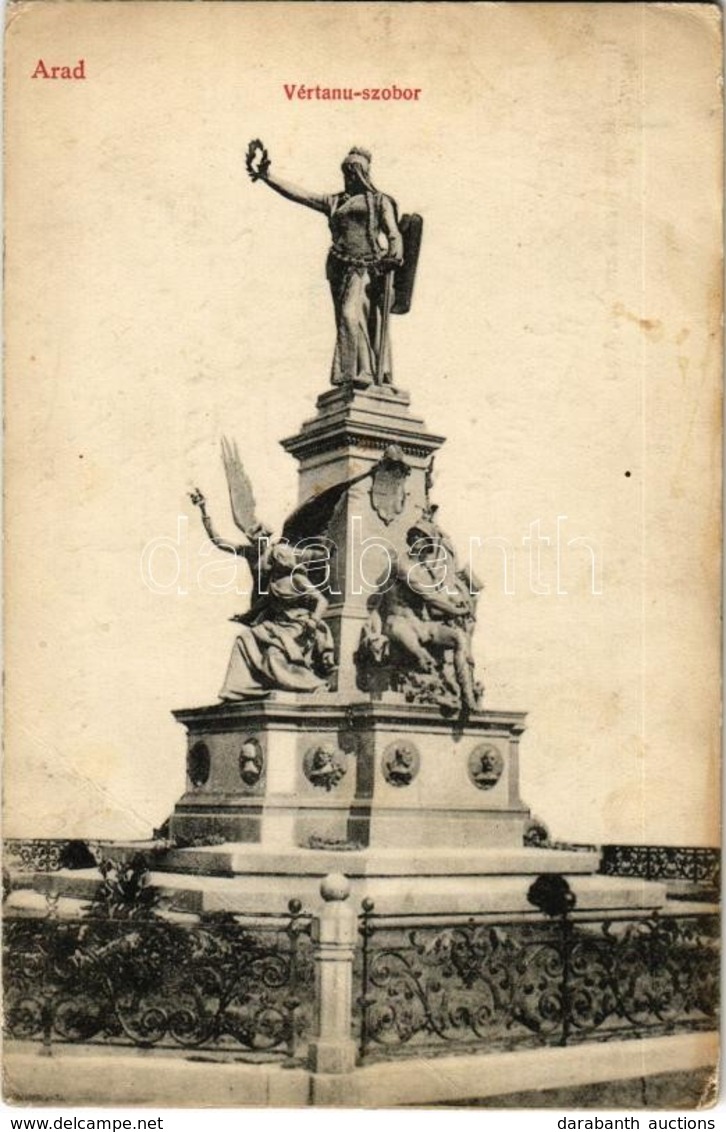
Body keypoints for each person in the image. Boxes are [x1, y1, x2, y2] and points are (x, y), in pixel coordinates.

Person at [248, 144, 403, 387]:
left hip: (369, 268)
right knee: (350, 319)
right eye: (346, 171)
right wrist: (268, 177)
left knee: (353, 315)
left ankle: (365, 372)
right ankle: (359, 372)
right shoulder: (334, 201)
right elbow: (301, 195)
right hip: (339, 268)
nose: (348, 176)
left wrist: (395, 254)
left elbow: (393, 232)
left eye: (353, 171)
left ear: (363, 173)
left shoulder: (380, 201)